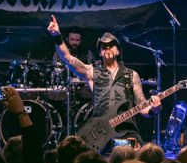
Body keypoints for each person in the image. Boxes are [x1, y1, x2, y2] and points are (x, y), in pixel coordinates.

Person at [47, 15, 159, 147]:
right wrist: (57, 35)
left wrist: (154, 109)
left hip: (127, 132)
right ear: (100, 52)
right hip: (101, 133)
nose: (107, 48)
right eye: (104, 46)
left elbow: (143, 108)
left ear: (118, 51)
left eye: (111, 45)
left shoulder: (132, 75)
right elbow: (67, 58)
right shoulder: (92, 72)